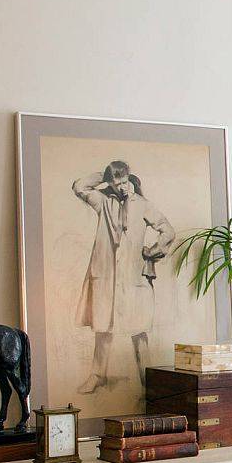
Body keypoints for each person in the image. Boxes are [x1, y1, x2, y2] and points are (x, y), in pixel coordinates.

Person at [72, 161, 175, 393]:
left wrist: (153, 251)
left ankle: (147, 381)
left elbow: (168, 230)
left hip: (133, 277)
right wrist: (106, 176)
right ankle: (97, 376)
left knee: (139, 331)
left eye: (124, 182)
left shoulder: (142, 204)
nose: (121, 188)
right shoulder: (103, 202)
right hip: (106, 275)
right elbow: (79, 186)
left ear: (130, 179)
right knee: (103, 327)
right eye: (116, 183)